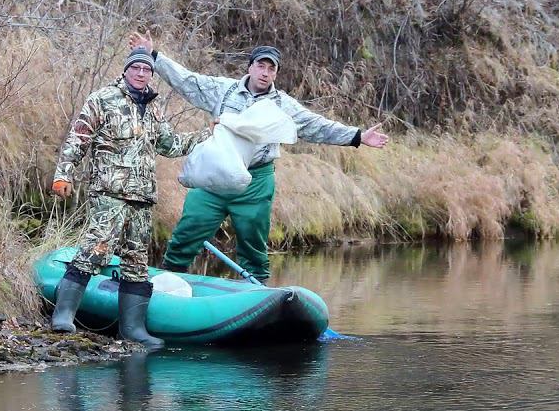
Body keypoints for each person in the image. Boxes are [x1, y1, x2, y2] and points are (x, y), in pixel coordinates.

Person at [128, 33, 389, 283]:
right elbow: (187, 81)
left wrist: (357, 136)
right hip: (216, 176)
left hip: (256, 181)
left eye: (271, 69)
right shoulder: (224, 90)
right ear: (250, 68)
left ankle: (256, 291)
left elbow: (316, 125)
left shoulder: (283, 105)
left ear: (275, 74)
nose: (265, 73)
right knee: (187, 233)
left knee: (253, 244)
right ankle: (169, 281)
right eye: (261, 66)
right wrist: (154, 56)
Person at [49, 47, 210, 347]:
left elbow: (170, 145)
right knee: (96, 248)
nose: (141, 73)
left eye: (146, 69)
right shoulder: (102, 99)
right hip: (109, 192)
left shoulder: (153, 107)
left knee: (136, 261)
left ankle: (132, 329)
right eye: (136, 67)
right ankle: (63, 315)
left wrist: (208, 134)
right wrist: (63, 175)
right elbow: (78, 138)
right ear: (125, 70)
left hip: (142, 196)